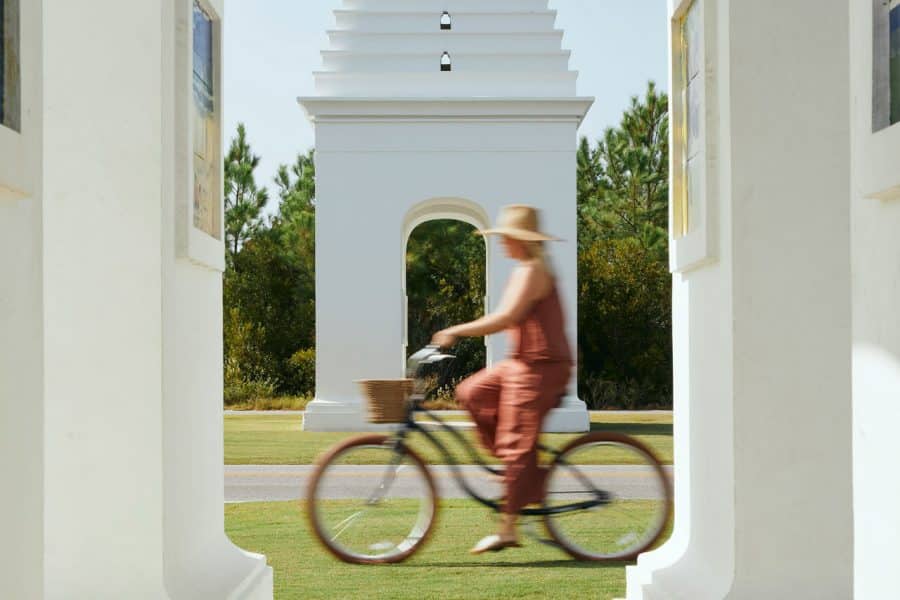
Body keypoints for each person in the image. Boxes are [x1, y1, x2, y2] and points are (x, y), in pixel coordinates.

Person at [431, 205, 573, 555]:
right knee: (471, 392)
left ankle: (509, 527)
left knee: (514, 443)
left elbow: (505, 318)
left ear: (519, 240)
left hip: (542, 367)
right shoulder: (523, 270)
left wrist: (454, 331)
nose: (501, 243)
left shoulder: (534, 271)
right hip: (520, 364)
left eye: (505, 238)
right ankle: (522, 475)